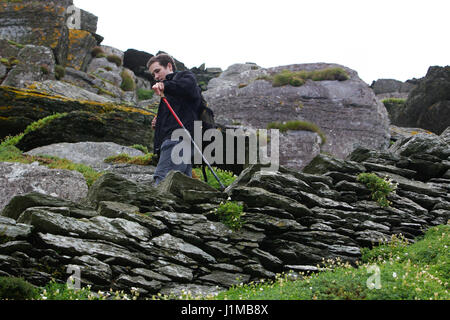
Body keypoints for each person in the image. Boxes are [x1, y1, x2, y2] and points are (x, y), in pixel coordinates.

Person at [147, 53, 202, 185]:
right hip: (182, 142)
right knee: (182, 184)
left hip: (177, 139)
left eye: (157, 71)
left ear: (169, 66)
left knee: (162, 180)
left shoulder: (184, 77)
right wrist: (158, 122)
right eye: (153, 74)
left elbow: (186, 87)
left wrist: (165, 86)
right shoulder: (168, 92)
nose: (156, 77)